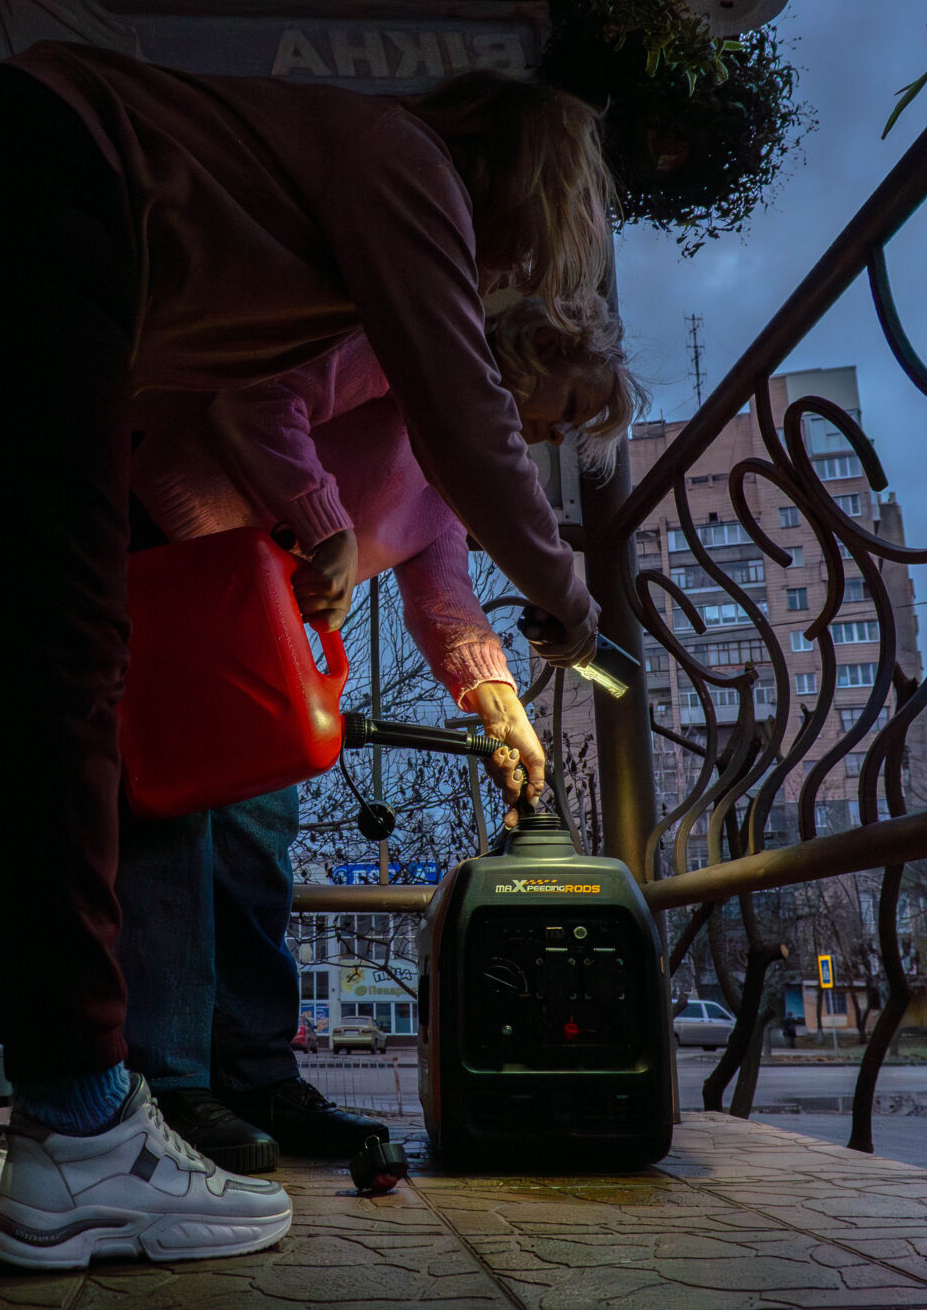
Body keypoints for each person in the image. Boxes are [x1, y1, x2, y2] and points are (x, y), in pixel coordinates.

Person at [0, 41, 615, 1270]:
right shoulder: (408, 167)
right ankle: (81, 1131)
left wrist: (496, 683)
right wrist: (573, 603)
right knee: (59, 673)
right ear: (531, 183)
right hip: (26, 178)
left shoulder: (344, 174)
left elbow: (444, 540)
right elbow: (461, 414)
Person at [115, 301, 642, 1172]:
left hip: (254, 605)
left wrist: (499, 703)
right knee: (172, 819)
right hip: (174, 541)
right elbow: (255, 401)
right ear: (542, 346)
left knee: (260, 835)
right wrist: (327, 526)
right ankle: (167, 1083)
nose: (559, 433)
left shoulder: (451, 475)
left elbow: (442, 594)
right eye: (572, 405)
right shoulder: (405, 349)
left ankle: (254, 1076)